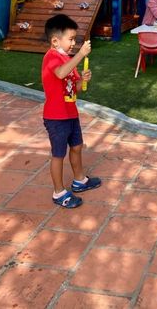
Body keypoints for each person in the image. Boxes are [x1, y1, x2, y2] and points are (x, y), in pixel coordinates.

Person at [42, 14, 102, 209]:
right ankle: (58, 192)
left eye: (75, 39)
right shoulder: (52, 57)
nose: (74, 43)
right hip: (56, 117)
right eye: (71, 39)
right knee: (58, 154)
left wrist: (82, 79)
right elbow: (60, 73)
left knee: (77, 147)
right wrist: (81, 55)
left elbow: (74, 89)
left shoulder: (68, 59)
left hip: (70, 114)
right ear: (55, 41)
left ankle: (79, 180)